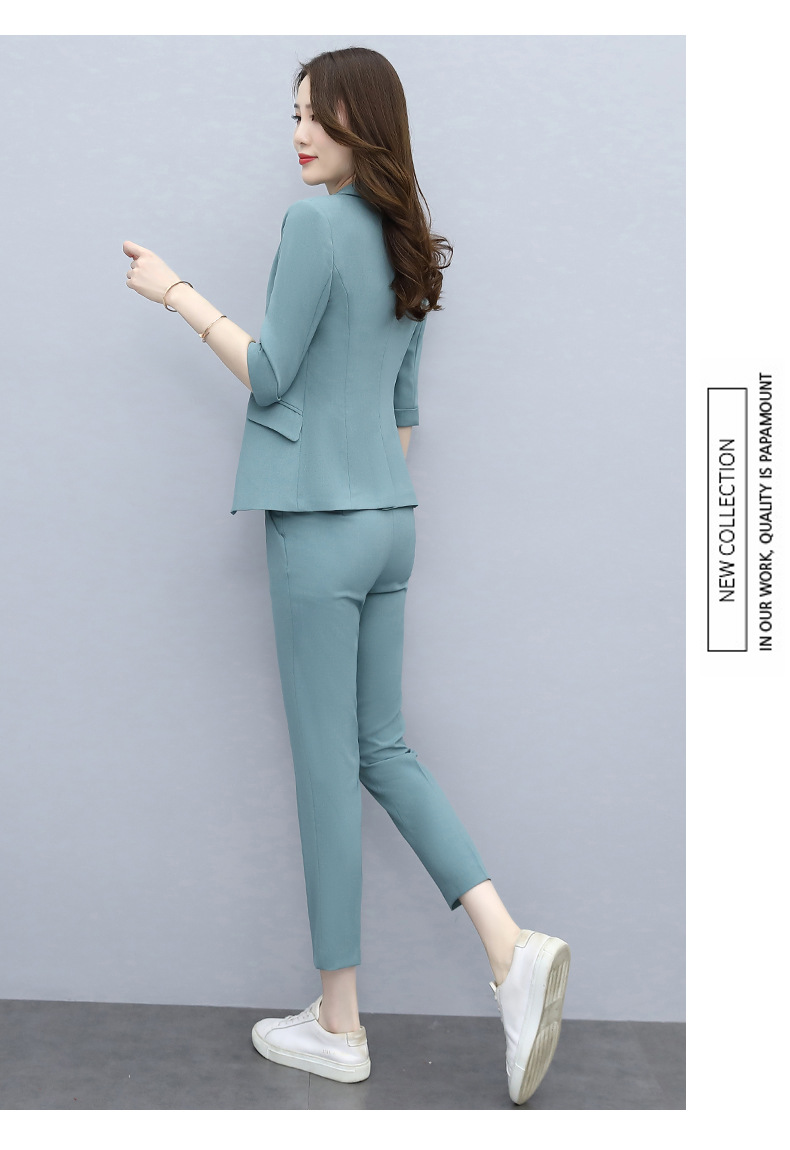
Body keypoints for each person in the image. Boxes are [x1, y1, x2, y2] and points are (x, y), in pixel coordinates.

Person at [123, 45, 569, 1107]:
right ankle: (507, 944)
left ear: (361, 122)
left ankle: (339, 1023)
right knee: (382, 748)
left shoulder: (314, 224)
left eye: (315, 115)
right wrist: (369, 498)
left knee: (330, 769)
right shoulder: (406, 239)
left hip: (321, 529)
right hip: (389, 523)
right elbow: (404, 411)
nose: (298, 134)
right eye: (293, 115)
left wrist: (174, 291)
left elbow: (271, 372)